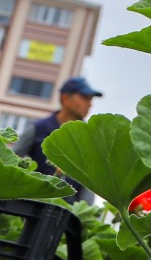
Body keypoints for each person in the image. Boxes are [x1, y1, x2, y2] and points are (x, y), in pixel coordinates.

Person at [17, 75, 101, 203]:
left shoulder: (90, 139)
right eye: (85, 98)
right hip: (31, 206)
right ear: (65, 98)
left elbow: (90, 184)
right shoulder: (37, 128)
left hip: (66, 214)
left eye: (90, 99)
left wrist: (82, 216)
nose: (90, 104)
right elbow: (12, 160)